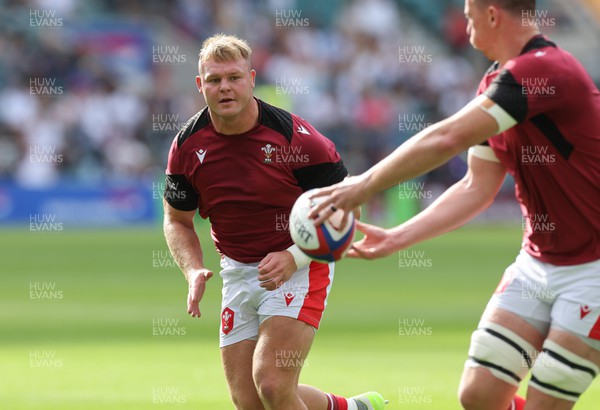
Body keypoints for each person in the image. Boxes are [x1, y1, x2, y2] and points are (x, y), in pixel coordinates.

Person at [310, 1, 600, 409]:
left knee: (545, 403)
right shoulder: (496, 82)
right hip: (538, 262)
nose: (462, 24)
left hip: (593, 270)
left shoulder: (545, 70)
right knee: (479, 395)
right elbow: (475, 187)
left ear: (493, 15)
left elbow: (447, 138)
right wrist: (397, 237)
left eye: (468, 15)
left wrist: (363, 185)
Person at [162, 34, 386, 410]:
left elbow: (349, 212)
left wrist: (294, 257)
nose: (225, 87)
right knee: (250, 401)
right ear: (201, 85)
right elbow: (177, 220)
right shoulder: (187, 146)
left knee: (271, 381)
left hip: (301, 266)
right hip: (236, 270)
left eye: (234, 77)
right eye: (214, 80)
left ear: (252, 79)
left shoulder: (298, 139)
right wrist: (193, 270)